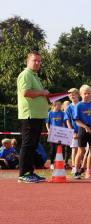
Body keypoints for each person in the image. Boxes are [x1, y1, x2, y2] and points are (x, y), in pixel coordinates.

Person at [17, 51, 49, 183]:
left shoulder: (34, 76)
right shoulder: (26, 74)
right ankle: (23, 174)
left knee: (33, 145)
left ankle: (29, 172)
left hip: (37, 115)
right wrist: (42, 92)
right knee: (28, 144)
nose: (37, 63)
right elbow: (25, 92)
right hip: (29, 115)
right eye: (34, 60)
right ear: (28, 61)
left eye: (39, 61)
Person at [72, 85, 91, 179]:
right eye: (85, 93)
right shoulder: (79, 105)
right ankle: (76, 171)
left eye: (89, 93)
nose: (87, 95)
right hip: (82, 129)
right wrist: (85, 127)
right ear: (81, 94)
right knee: (81, 151)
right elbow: (76, 120)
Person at [64, 88, 80, 174]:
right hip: (74, 131)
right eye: (70, 95)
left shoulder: (81, 105)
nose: (72, 96)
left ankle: (80, 166)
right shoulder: (68, 108)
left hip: (83, 130)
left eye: (73, 94)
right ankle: (74, 167)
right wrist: (72, 132)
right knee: (74, 149)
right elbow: (67, 120)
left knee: (82, 149)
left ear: (78, 95)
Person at [46, 101, 65, 170]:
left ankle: (60, 163)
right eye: (58, 105)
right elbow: (47, 123)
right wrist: (48, 130)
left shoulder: (62, 113)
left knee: (60, 148)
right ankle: (51, 163)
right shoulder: (50, 113)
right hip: (52, 133)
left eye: (60, 105)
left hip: (59, 133)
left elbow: (63, 122)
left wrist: (63, 130)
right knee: (53, 149)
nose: (60, 106)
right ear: (54, 105)